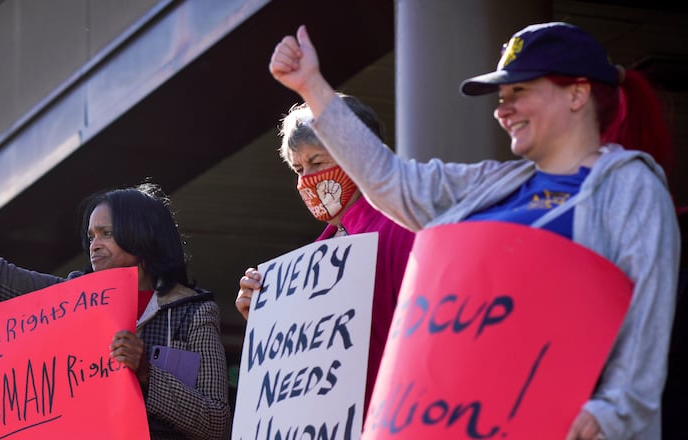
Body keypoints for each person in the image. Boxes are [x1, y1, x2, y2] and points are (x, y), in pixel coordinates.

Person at [268, 22, 680, 440]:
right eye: (502, 97)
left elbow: (647, 323)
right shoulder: (491, 184)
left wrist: (608, 416)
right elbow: (390, 181)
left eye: (520, 91)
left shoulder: (630, 188)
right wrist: (312, 88)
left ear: (577, 93)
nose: (503, 109)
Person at [0, 122, 230, 439]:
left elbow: (217, 424)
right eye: (90, 236)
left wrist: (146, 372)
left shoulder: (193, 312)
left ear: (143, 237)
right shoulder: (70, 301)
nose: (95, 244)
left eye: (107, 233)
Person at [234, 95, 416, 415]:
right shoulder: (316, 258)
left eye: (317, 163)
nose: (307, 178)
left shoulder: (402, 229)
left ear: (360, 155)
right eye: (298, 167)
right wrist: (269, 320)